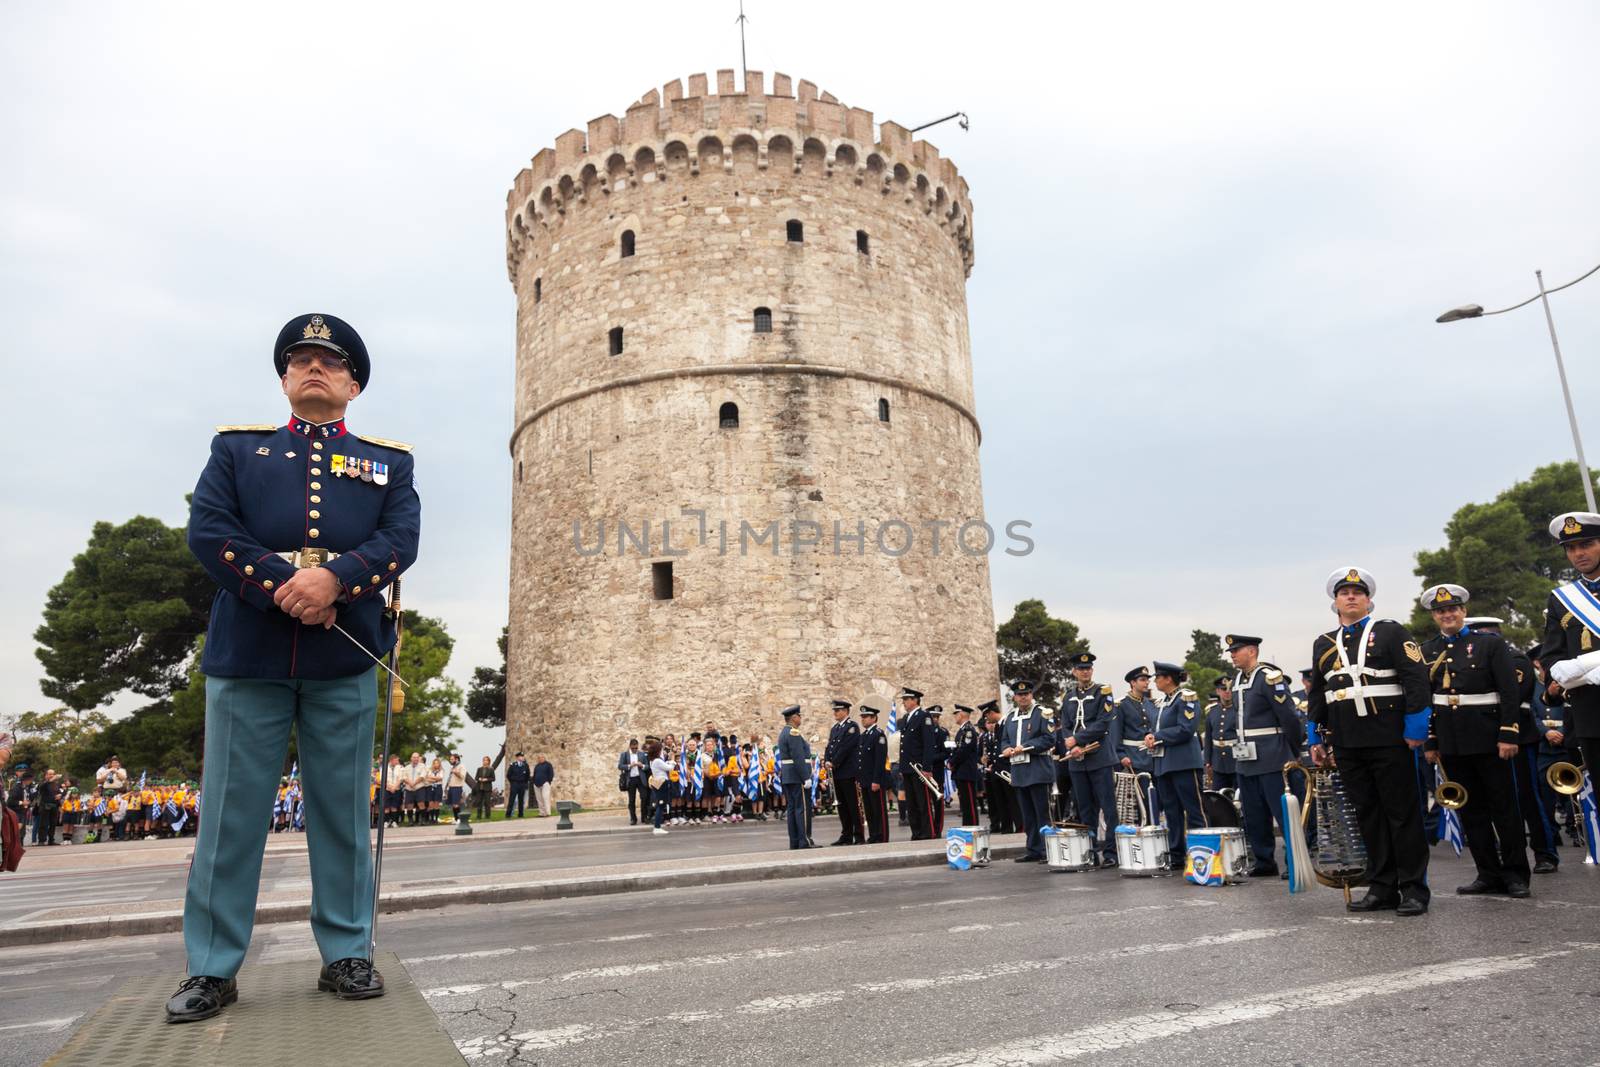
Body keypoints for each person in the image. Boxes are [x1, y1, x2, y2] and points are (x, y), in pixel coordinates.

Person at [169, 312, 420, 1022]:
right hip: (249, 650)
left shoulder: (388, 462)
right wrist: (287, 583)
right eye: (301, 359)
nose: (314, 368)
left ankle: (346, 950)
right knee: (229, 815)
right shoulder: (236, 451)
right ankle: (212, 967)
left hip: (344, 653)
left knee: (340, 809)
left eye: (330, 362)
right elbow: (209, 530)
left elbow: (401, 538)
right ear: (284, 378)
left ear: (353, 384)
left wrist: (336, 579)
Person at [1307, 567, 1433, 916]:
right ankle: (1381, 887)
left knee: (1402, 815)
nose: (1351, 597)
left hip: (1391, 738)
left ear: (1368, 600)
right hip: (1347, 742)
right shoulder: (1324, 642)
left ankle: (1413, 888)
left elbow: (1416, 679)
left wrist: (1417, 728)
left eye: (1357, 592)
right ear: (1335, 602)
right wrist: (1315, 736)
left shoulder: (1391, 632)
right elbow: (1318, 693)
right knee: (1369, 816)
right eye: (1344, 593)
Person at [1419, 585, 1529, 897]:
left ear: (1464, 612)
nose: (1447, 614)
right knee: (1470, 809)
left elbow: (1509, 691)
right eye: (1441, 611)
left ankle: (1516, 875)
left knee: (1504, 809)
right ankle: (1487, 874)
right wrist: (1431, 742)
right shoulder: (1428, 651)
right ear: (1434, 616)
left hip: (1490, 738)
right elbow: (1429, 700)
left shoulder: (1489, 644)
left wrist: (1509, 733)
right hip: (1452, 742)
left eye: (1453, 609)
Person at [1468, 616, 1560, 874]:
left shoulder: (1516, 659)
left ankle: (1546, 853)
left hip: (1519, 737)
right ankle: (1508, 851)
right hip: (1488, 738)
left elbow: (1512, 696)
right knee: (1499, 800)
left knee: (1528, 797)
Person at [1223, 634, 1303, 877]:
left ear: (1252, 651)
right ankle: (1264, 861)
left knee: (1283, 813)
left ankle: (1294, 861)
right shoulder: (1236, 680)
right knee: (1254, 814)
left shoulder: (1269, 677)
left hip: (1272, 755)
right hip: (1245, 758)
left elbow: (1289, 717)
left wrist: (1292, 750)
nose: (1233, 655)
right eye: (1231, 651)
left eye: (1237, 650)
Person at [1539, 512, 1600, 805]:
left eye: (1586, 544)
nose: (1579, 553)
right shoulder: (1562, 599)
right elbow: (1552, 658)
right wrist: (1586, 673)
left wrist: (1580, 667)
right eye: (1571, 548)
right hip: (1589, 713)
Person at [1060, 653, 1118, 867]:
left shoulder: (1103, 692)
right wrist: (1072, 744)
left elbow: (1104, 722)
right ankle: (1091, 852)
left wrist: (1078, 739)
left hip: (1099, 756)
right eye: (1081, 668)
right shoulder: (1067, 696)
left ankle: (1111, 853)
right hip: (1077, 760)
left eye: (1088, 668)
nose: (1085, 671)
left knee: (1108, 808)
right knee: (1085, 809)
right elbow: (1065, 724)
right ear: (1074, 671)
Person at [1146, 663, 1205, 865]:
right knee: (1171, 811)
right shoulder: (1162, 703)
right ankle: (1177, 854)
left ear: (1168, 678)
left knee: (1194, 810)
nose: (1155, 681)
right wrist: (1151, 738)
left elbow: (1186, 728)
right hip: (1164, 763)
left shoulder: (1186, 697)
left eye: (1158, 677)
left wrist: (1158, 736)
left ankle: (1202, 852)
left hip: (1184, 763)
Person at [1001, 680, 1056, 863]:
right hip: (1019, 771)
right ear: (1015, 697)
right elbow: (1004, 740)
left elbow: (1049, 739)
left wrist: (1025, 747)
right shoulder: (1010, 717)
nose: (1023, 697)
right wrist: (1006, 749)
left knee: (1043, 814)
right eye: (1019, 694)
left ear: (1031, 695)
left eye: (1026, 694)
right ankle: (1033, 849)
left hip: (1038, 770)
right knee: (1028, 815)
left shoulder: (1043, 713)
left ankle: (1048, 850)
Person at [897, 687, 935, 839]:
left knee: (922, 801)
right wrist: (902, 767)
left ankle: (927, 831)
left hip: (919, 768)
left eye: (906, 699)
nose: (904, 702)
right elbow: (904, 745)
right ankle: (916, 832)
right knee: (911, 803)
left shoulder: (924, 716)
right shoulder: (906, 718)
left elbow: (928, 744)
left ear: (914, 700)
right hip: (908, 767)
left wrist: (926, 767)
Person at [824, 700, 863, 846]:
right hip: (836, 773)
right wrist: (826, 760)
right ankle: (846, 835)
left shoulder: (852, 727)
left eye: (838, 710)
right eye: (834, 710)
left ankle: (858, 835)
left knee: (852, 805)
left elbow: (846, 748)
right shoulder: (835, 728)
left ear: (846, 711)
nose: (835, 713)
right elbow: (829, 747)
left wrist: (833, 762)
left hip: (847, 772)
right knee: (841, 805)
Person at [776, 705, 816, 849]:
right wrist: (806, 777)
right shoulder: (793, 733)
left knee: (793, 809)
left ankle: (795, 841)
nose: (801, 718)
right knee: (802, 809)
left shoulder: (784, 733)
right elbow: (798, 757)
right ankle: (804, 840)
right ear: (794, 718)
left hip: (789, 776)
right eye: (799, 715)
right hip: (797, 776)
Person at [978, 701, 1016, 835]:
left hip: (1007, 768)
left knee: (1012, 801)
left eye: (986, 716)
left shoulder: (1008, 722)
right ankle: (1006, 828)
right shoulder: (1000, 725)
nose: (986, 720)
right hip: (998, 770)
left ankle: (1019, 827)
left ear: (991, 713)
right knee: (1001, 802)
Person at [855, 704, 891, 843]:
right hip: (864, 779)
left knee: (879, 809)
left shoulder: (878, 735)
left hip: (875, 780)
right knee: (869, 810)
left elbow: (879, 760)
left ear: (874, 718)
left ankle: (882, 835)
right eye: (862, 717)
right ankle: (874, 834)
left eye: (866, 717)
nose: (863, 720)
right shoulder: (864, 735)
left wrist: (876, 780)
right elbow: (860, 759)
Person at [949, 705, 982, 826]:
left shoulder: (968, 730)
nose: (955, 717)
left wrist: (952, 762)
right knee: (965, 802)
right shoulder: (962, 730)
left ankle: (972, 825)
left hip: (966, 771)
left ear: (961, 715)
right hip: (961, 771)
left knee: (969, 802)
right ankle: (967, 825)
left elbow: (964, 750)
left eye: (956, 714)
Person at [1204, 679, 1238, 791]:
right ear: (1218, 691)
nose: (1227, 692)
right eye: (1224, 689)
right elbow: (1208, 738)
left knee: (1240, 795)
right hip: (1218, 763)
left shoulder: (1239, 709)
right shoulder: (1212, 712)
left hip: (1237, 761)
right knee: (1219, 798)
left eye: (1230, 689)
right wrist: (1208, 761)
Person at [619, 739, 647, 825]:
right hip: (630, 779)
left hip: (640, 779)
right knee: (632, 800)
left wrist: (641, 765)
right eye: (633, 748)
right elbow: (620, 766)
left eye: (636, 748)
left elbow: (647, 766)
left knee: (644, 797)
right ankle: (633, 819)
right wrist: (629, 766)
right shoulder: (624, 755)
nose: (635, 749)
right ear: (630, 746)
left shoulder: (642, 754)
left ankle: (644, 817)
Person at [647, 738, 672, 834]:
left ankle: (657, 826)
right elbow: (669, 768)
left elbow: (664, 766)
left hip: (658, 782)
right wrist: (673, 761)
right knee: (661, 805)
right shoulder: (657, 760)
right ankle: (657, 827)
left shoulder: (653, 760)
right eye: (661, 749)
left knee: (660, 805)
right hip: (661, 783)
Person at [505, 753, 531, 817]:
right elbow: (508, 775)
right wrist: (512, 782)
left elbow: (528, 775)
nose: (522, 758)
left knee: (521, 800)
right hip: (515, 784)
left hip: (522, 784)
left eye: (522, 756)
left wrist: (525, 782)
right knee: (512, 799)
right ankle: (508, 814)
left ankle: (520, 814)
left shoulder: (525, 765)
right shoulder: (513, 765)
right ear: (517, 758)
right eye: (521, 756)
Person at [445, 754, 467, 821]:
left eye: (452, 759)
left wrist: (455, 772)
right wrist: (446, 787)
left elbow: (462, 776)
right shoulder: (452, 767)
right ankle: (456, 819)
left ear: (456, 759)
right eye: (450, 759)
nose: (450, 760)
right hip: (451, 787)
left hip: (457, 787)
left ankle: (459, 819)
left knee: (456, 804)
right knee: (453, 804)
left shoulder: (461, 766)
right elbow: (450, 777)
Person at [473, 756, 496, 821]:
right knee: (479, 802)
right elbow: (476, 777)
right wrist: (479, 778)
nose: (485, 762)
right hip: (480, 787)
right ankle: (478, 816)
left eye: (486, 760)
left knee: (487, 802)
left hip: (487, 788)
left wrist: (487, 779)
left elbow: (493, 778)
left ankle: (487, 816)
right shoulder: (479, 769)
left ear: (488, 762)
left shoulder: (491, 769)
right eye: (484, 760)